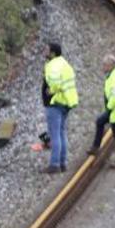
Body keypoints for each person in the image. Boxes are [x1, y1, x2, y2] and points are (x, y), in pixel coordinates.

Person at [41, 41, 78, 174]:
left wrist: (50, 91)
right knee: (61, 132)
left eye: (46, 50)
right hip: (66, 102)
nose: (44, 51)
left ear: (52, 53)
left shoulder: (52, 65)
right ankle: (62, 163)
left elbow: (56, 83)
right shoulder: (65, 64)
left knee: (54, 134)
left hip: (55, 103)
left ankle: (54, 164)